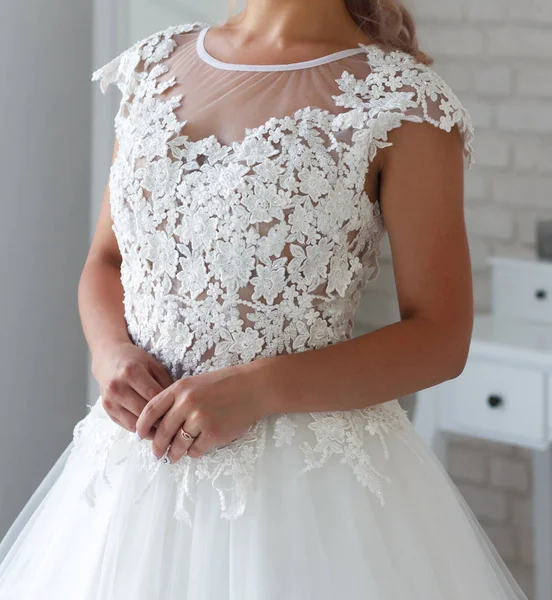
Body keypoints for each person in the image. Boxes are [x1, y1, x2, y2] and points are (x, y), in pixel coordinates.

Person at [0, 1, 530, 599]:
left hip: (304, 498)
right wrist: (109, 353)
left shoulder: (404, 103)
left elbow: (440, 335)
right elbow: (107, 261)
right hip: (128, 478)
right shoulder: (157, 63)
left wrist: (256, 387)